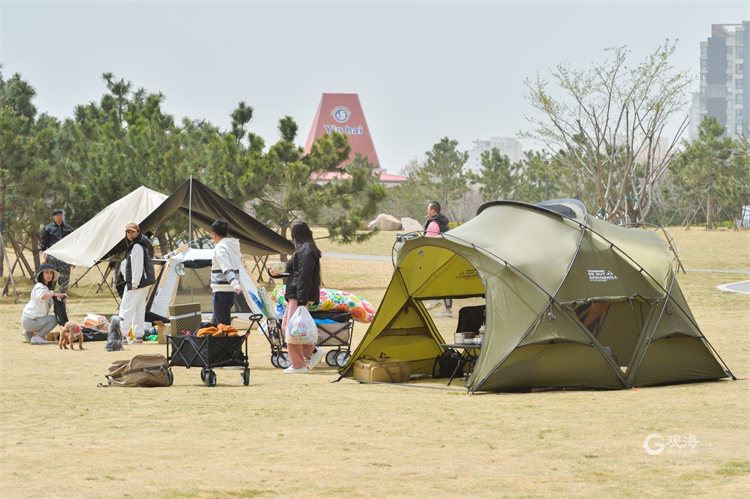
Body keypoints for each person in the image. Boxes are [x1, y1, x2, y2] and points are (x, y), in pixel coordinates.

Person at [280, 221, 325, 373]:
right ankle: (312, 351)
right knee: (288, 327)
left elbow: (304, 277)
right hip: (296, 294)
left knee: (292, 329)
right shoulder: (305, 249)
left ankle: (298, 365)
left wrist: (301, 300)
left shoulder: (305, 250)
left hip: (299, 295)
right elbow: (296, 272)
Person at [118, 222, 155, 343]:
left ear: (138, 232)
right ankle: (138, 335)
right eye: (128, 232)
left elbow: (137, 266)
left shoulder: (137, 246)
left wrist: (134, 283)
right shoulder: (140, 245)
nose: (130, 234)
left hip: (137, 283)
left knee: (126, 308)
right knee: (139, 309)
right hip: (143, 283)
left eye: (133, 231)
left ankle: (122, 335)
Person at [209, 219, 243, 327]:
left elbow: (227, 268)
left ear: (214, 234)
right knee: (215, 324)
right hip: (229, 291)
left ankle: (227, 344)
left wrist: (235, 284)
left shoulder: (220, 248)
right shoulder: (232, 247)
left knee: (223, 326)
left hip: (222, 291)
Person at [21, 264, 66, 344]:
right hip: (30, 320)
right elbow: (42, 296)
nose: (49, 275)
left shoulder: (46, 289)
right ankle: (37, 336)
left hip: (28, 320)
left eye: (51, 273)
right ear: (42, 275)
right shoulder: (39, 286)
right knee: (55, 319)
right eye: (46, 273)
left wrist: (61, 297)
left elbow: (51, 299)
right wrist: (54, 294)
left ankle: (28, 332)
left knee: (50, 318)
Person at [424, 201, 453, 318]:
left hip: (438, 257)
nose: (427, 211)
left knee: (436, 279)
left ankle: (437, 301)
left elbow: (428, 242)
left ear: (433, 211)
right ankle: (447, 309)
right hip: (446, 255)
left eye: (428, 209)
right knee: (444, 281)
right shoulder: (443, 223)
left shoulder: (434, 223)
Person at [40, 209, 74, 293]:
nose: (59, 217)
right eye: (57, 215)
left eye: (60, 215)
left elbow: (73, 245)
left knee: (64, 281)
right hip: (53, 258)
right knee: (51, 281)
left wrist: (72, 259)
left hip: (64, 257)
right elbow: (44, 244)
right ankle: (49, 301)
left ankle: (63, 303)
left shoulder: (68, 229)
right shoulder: (48, 229)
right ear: (53, 217)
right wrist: (44, 258)